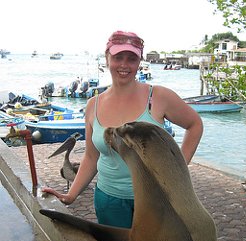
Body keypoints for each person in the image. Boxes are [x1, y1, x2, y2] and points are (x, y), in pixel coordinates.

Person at [42, 30, 203, 228]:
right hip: (109, 200)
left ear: (139, 62)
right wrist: (70, 195)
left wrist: (176, 171)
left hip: (155, 200)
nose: (124, 65)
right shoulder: (93, 105)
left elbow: (195, 125)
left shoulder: (158, 97)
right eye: (118, 57)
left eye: (132, 59)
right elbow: (92, 157)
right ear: (107, 58)